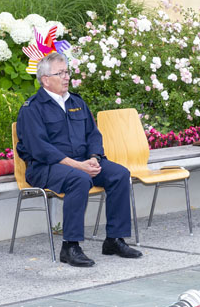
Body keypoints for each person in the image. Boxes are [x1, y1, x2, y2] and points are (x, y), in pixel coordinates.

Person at [16, 51, 142, 267]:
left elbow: (93, 135)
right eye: (60, 73)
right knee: (79, 179)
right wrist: (78, 166)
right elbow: (40, 149)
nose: (66, 77)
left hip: (82, 162)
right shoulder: (32, 108)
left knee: (120, 174)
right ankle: (70, 246)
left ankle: (114, 240)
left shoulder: (76, 102)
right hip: (46, 167)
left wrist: (93, 158)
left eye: (67, 72)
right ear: (45, 80)